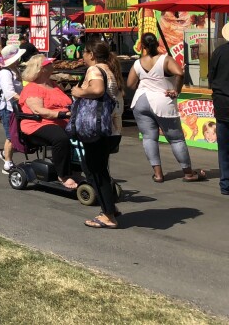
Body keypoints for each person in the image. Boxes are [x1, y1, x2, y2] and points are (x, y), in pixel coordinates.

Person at [127, 32, 206, 183]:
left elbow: (130, 84)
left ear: (142, 46)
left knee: (149, 137)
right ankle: (188, 173)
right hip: (162, 100)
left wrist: (145, 84)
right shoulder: (165, 60)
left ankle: (158, 174)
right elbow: (180, 73)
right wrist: (176, 90)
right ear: (157, 44)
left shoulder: (138, 63)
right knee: (176, 139)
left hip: (140, 100)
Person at [71, 41, 124, 229]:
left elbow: (97, 90)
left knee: (95, 170)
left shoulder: (94, 70)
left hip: (96, 128)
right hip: (112, 128)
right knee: (97, 168)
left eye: (84, 53)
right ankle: (110, 206)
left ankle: (108, 215)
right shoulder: (110, 69)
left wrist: (80, 91)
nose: (82, 57)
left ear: (91, 54)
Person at [18, 55, 77, 189]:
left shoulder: (54, 85)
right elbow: (39, 110)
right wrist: (62, 114)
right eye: (49, 63)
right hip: (38, 123)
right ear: (42, 69)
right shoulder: (33, 88)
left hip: (61, 121)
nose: (53, 65)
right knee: (60, 138)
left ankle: (79, 168)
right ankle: (63, 175)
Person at [0, 45, 24, 174]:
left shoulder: (14, 70)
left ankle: (4, 154)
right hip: (9, 108)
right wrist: (26, 100)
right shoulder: (5, 73)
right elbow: (9, 93)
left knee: (17, 136)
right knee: (11, 137)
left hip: (16, 107)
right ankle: (7, 163)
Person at [209, 22, 229, 196]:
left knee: (224, 147)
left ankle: (225, 184)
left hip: (222, 103)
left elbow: (211, 76)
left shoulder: (218, 52)